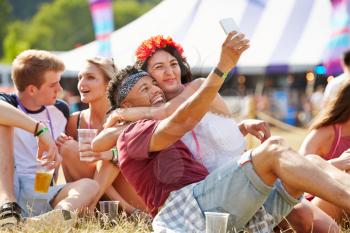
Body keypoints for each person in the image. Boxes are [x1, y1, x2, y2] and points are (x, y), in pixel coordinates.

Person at [95, 34, 350, 232]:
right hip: (193, 206)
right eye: (146, 85)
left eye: (172, 64)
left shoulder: (184, 95)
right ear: (127, 104)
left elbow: (185, 120)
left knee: (306, 195)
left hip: (225, 188)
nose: (158, 86)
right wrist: (221, 68)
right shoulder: (137, 130)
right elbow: (176, 122)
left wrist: (123, 115)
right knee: (276, 150)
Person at [0, 50, 99, 227]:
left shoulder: (61, 110)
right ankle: (7, 209)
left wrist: (60, 154)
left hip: (41, 185)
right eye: (53, 85)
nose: (60, 89)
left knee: (90, 187)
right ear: (32, 89)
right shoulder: (8, 102)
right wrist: (39, 130)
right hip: (8, 184)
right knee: (3, 122)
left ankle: (44, 222)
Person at [56, 57, 137, 213]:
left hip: (126, 191)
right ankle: (89, 206)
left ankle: (124, 209)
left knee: (110, 156)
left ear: (108, 85)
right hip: (92, 193)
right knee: (66, 146)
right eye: (80, 77)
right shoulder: (75, 120)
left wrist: (104, 154)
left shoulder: (122, 118)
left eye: (90, 77)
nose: (81, 84)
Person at [299, 80, 350, 224]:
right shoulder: (326, 132)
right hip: (322, 200)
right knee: (336, 192)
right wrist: (336, 164)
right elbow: (295, 170)